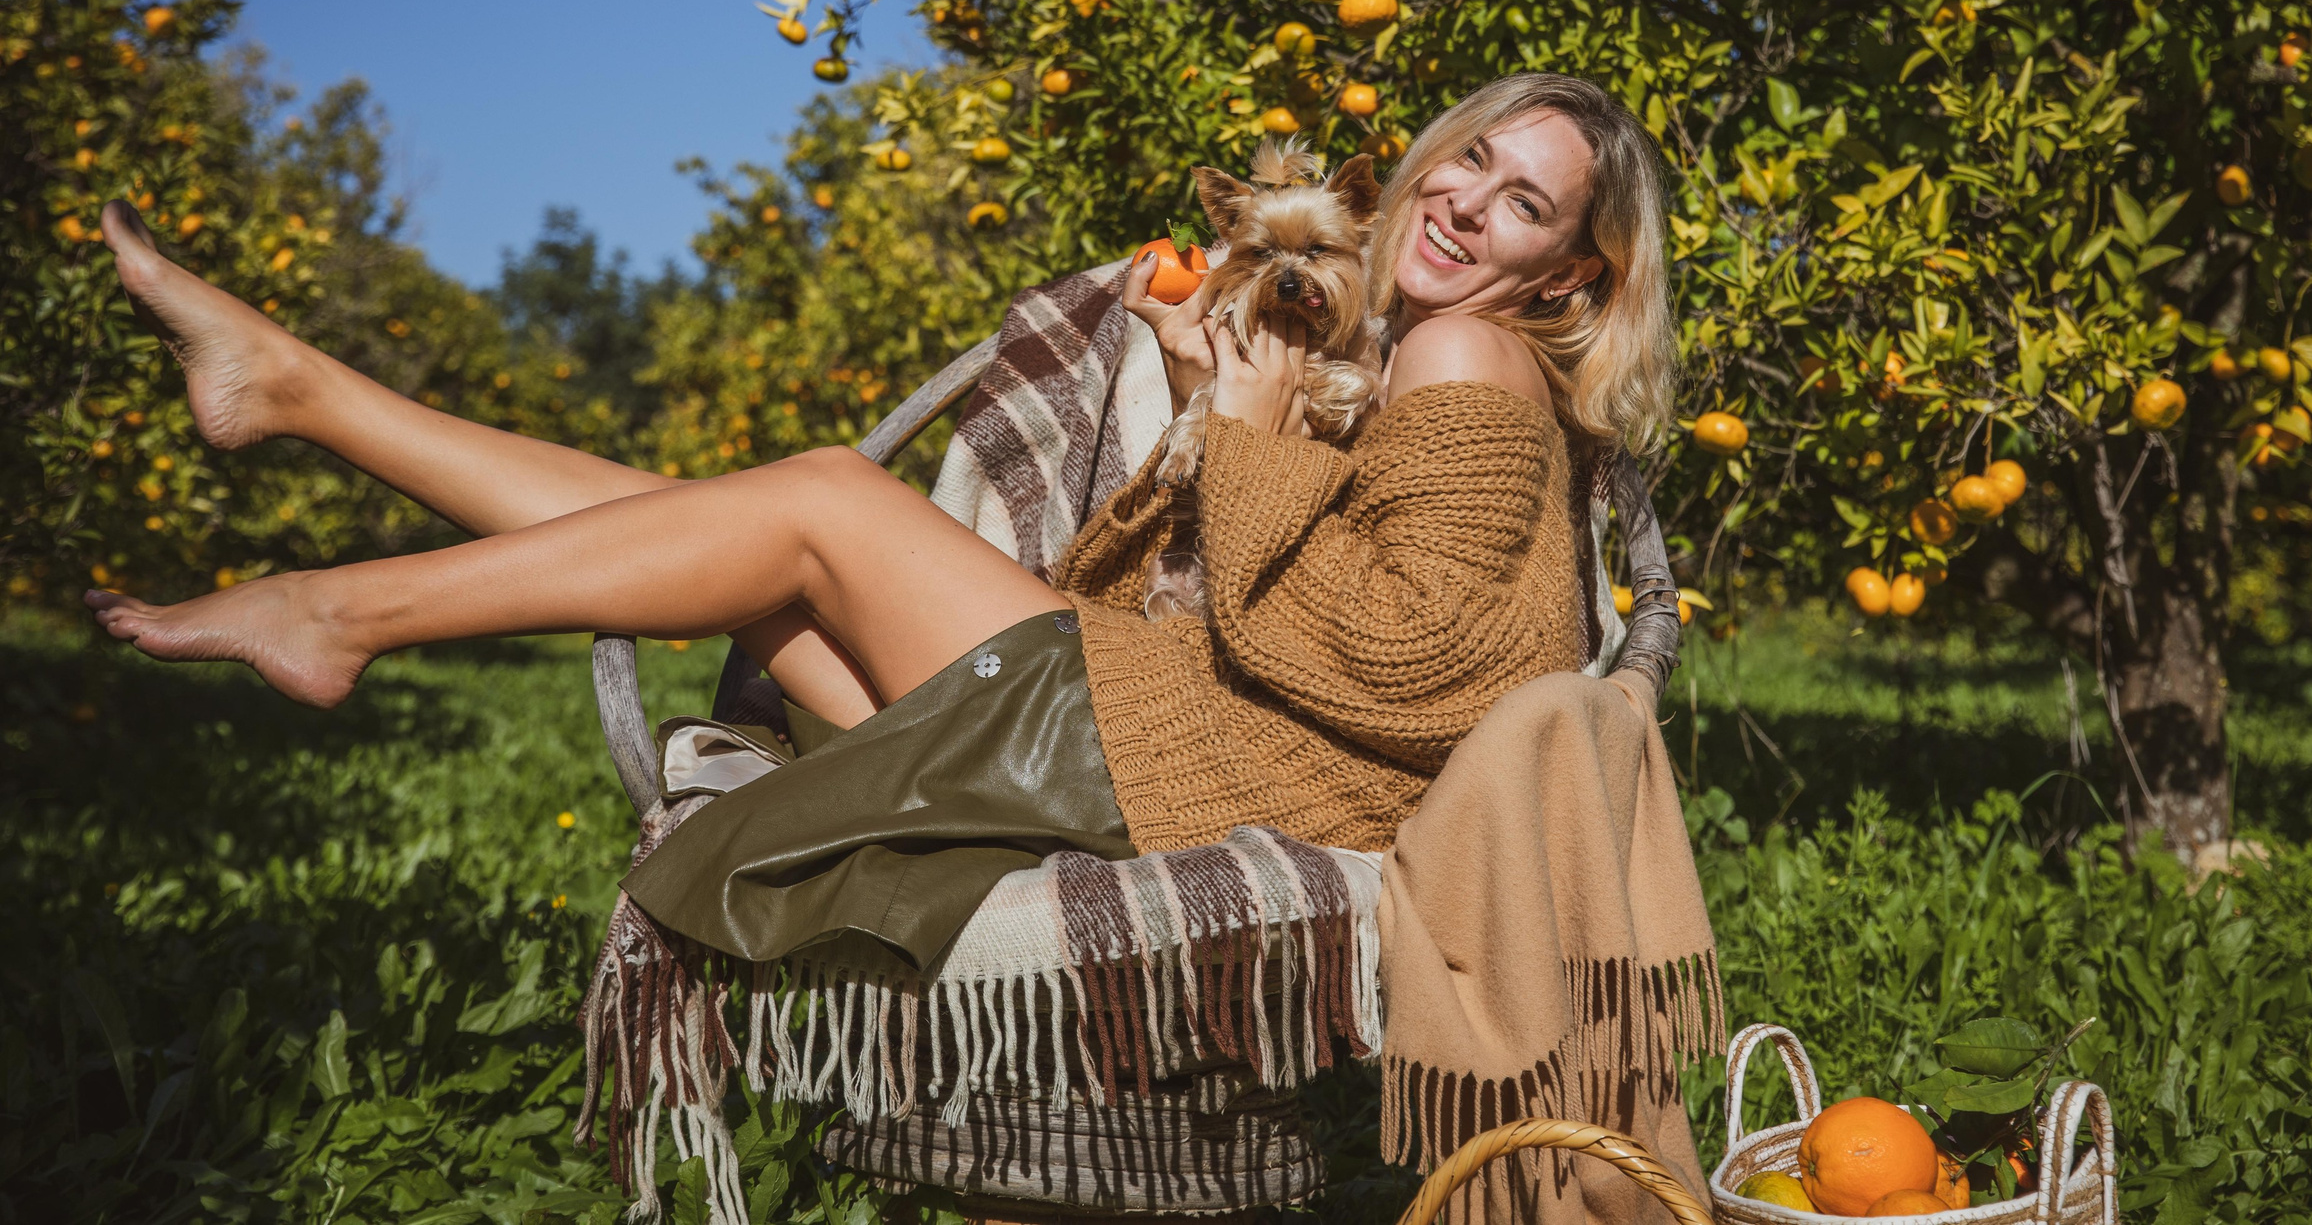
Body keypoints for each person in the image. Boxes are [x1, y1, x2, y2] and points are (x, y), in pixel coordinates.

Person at [86, 72, 1675, 969]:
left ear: (1571, 276)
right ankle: (303, 392)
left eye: (1523, 204)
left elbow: (1421, 664)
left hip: (1206, 773)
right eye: (1471, 157)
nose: (1464, 201)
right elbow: (1219, 591)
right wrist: (1216, 402)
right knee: (715, 534)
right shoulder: (1397, 351)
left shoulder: (1466, 358)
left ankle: (340, 609)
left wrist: (1245, 438)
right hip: (1165, 752)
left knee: (824, 502)